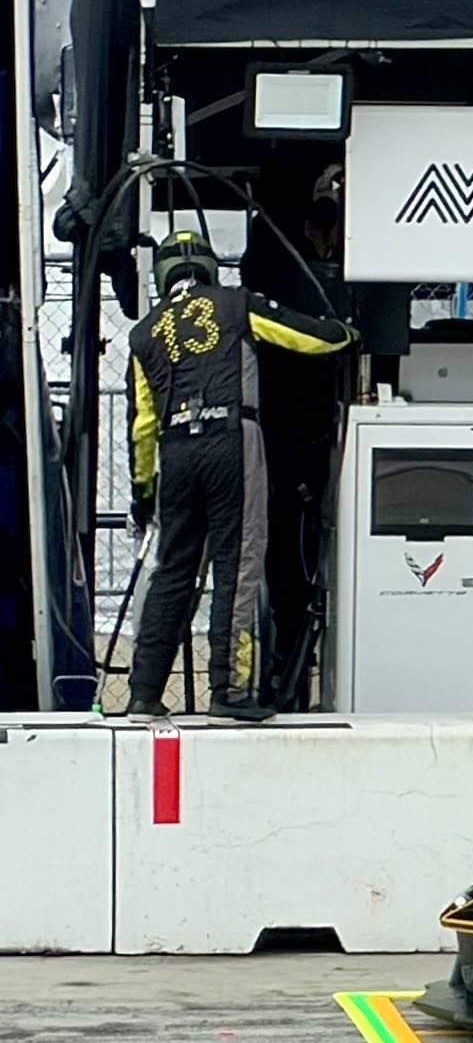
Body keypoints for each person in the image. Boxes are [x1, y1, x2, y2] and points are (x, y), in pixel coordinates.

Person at [125, 229, 356, 721]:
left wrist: (144, 493)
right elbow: (309, 337)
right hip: (232, 438)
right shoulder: (235, 304)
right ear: (208, 267)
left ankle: (143, 691)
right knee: (239, 561)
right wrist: (346, 332)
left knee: (173, 572)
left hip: (177, 451)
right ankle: (228, 690)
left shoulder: (143, 333)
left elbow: (142, 426)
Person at [240, 168, 352, 708]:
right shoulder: (273, 284)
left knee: (295, 561)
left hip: (307, 437)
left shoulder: (310, 278)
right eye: (317, 225)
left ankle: (284, 677)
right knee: (283, 563)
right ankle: (281, 680)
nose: (324, 238)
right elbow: (312, 340)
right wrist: (345, 337)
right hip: (285, 442)